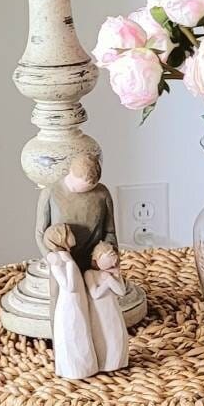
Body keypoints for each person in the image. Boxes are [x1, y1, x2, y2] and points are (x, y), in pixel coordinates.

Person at [36, 152, 118, 273]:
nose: (85, 191)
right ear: (71, 173)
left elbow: (109, 231)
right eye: (79, 187)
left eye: (91, 188)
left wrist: (107, 255)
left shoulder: (102, 193)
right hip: (62, 263)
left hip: (95, 265)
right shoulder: (50, 193)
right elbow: (40, 233)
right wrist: (50, 256)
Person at [44, 223, 98, 380]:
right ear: (61, 238)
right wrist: (68, 263)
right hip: (70, 305)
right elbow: (70, 286)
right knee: (75, 334)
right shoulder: (57, 261)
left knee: (81, 333)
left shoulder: (65, 257)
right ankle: (76, 369)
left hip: (77, 302)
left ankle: (86, 367)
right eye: (68, 232)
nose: (73, 235)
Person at [85, 241, 129, 372]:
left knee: (117, 335)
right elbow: (95, 294)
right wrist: (106, 281)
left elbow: (121, 292)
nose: (111, 265)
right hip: (99, 312)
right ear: (96, 259)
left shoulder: (113, 273)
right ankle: (103, 363)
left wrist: (111, 278)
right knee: (102, 337)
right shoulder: (90, 274)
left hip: (113, 310)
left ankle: (116, 362)